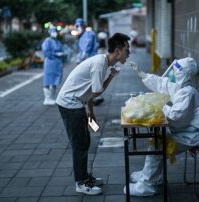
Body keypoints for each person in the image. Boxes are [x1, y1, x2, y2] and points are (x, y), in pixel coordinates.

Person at [56, 33, 131, 195]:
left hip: (77, 103)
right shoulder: (100, 64)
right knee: (79, 144)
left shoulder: (102, 62)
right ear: (117, 52)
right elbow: (97, 92)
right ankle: (81, 183)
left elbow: (89, 89)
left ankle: (84, 176)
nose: (129, 53)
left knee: (85, 141)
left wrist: (90, 111)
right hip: (70, 104)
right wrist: (111, 77)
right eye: (127, 49)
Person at [127, 57, 199, 196]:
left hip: (192, 136)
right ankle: (151, 176)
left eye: (176, 71)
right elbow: (163, 84)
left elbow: (175, 116)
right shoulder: (182, 87)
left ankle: (148, 184)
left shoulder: (188, 93)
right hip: (185, 132)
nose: (172, 73)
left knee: (158, 145)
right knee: (157, 141)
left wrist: (159, 106)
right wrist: (142, 73)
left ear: (183, 74)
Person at [75, 18, 104, 105]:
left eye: (78, 26)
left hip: (89, 59)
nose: (77, 28)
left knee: (91, 79)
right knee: (88, 79)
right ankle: (91, 98)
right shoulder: (83, 35)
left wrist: (83, 55)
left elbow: (86, 47)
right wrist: (79, 57)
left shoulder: (88, 34)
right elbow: (82, 49)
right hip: (86, 60)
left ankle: (94, 97)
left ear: (83, 25)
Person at [41, 26, 65, 105]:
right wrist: (55, 54)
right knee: (48, 80)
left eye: (55, 31)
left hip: (57, 63)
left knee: (56, 80)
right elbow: (46, 51)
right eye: (53, 31)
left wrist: (61, 54)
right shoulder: (47, 41)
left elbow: (61, 49)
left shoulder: (57, 41)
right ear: (50, 32)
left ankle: (52, 97)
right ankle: (47, 99)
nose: (54, 33)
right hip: (50, 63)